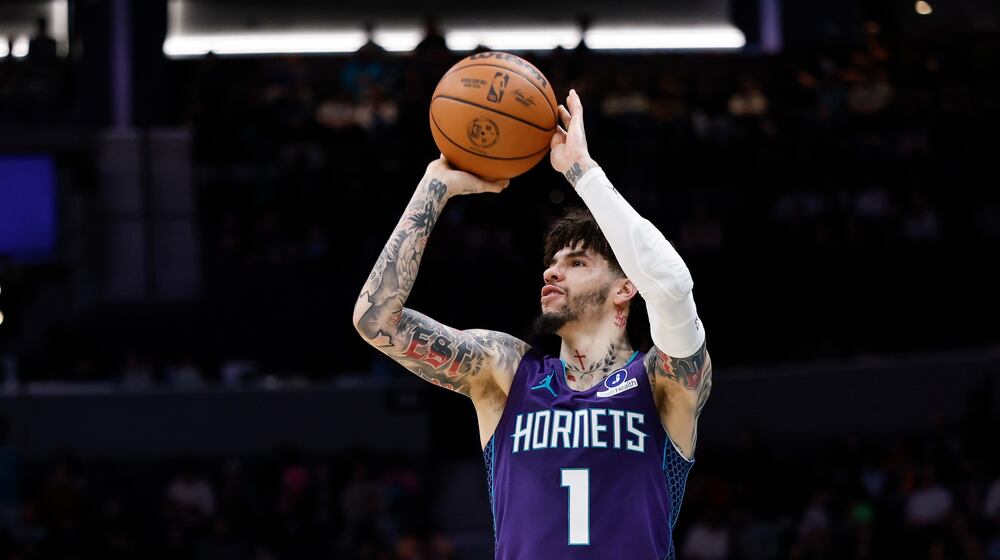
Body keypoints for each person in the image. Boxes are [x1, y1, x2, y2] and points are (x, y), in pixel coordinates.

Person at [353, 89, 712, 558]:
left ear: (625, 287)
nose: (552, 271)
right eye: (551, 263)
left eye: (577, 263)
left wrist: (581, 169)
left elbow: (669, 283)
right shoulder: (505, 371)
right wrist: (433, 185)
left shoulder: (663, 383)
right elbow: (375, 320)